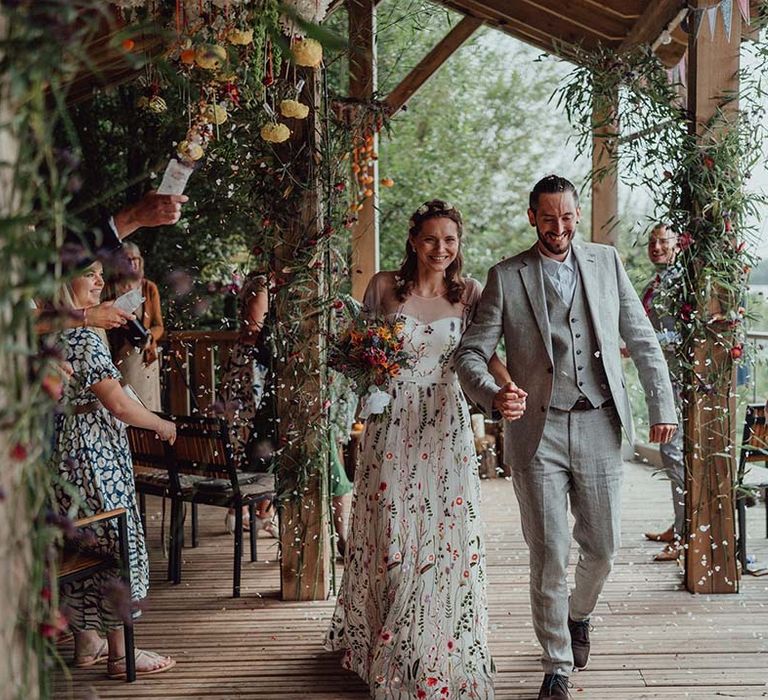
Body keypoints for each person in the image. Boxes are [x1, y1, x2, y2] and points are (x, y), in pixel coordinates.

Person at [455, 175, 677, 700]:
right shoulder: (506, 277)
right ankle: (556, 663)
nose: (559, 228)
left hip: (600, 422)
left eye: (568, 217)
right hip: (538, 431)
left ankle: (578, 614)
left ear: (578, 216)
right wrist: (493, 395)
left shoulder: (606, 262)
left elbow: (641, 339)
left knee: (603, 548)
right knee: (550, 551)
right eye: (549, 218)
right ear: (532, 216)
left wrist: (662, 405)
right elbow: (469, 352)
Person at [325, 200, 519, 699]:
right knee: (392, 524)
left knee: (441, 529)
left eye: (450, 240)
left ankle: (433, 644)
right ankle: (384, 638)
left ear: (459, 243)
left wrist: (505, 386)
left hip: (444, 420)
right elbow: (358, 347)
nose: (441, 249)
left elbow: (484, 353)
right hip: (392, 418)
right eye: (431, 239)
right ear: (414, 240)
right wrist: (367, 376)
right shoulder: (385, 286)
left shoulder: (471, 293)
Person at [51, 260, 177, 678]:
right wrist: (160, 423)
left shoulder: (46, 332)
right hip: (94, 454)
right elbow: (118, 403)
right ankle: (122, 652)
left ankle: (88, 642)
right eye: (89, 273)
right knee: (114, 542)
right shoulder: (83, 337)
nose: (100, 281)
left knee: (83, 542)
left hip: (64, 452)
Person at [36, 190, 188, 334]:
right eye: (90, 274)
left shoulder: (149, 287)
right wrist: (88, 316)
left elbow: (61, 264)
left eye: (101, 274)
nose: (100, 282)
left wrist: (134, 218)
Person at [639, 224, 685, 561]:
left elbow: (683, 336)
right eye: (652, 242)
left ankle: (685, 535)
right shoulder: (656, 283)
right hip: (661, 379)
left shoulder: (681, 284)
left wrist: (647, 345)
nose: (655, 247)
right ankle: (680, 525)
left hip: (678, 379)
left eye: (663, 242)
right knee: (671, 453)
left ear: (678, 245)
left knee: (674, 452)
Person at [218, 272, 277, 536]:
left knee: (253, 440)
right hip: (250, 370)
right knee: (246, 436)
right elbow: (254, 327)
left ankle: (260, 512)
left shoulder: (262, 285)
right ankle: (238, 511)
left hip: (250, 366)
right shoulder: (262, 286)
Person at [107, 242, 164, 411]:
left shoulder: (148, 288)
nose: (132, 263)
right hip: (119, 357)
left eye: (135, 259)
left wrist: (149, 337)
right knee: (124, 406)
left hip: (145, 358)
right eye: (127, 259)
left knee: (147, 407)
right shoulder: (109, 287)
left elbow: (159, 325)